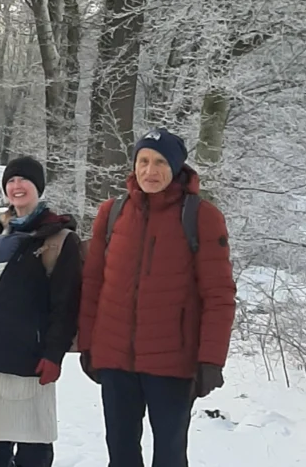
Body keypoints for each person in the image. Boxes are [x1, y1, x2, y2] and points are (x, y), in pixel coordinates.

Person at [78, 129, 236, 467]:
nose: (150, 171)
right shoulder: (112, 213)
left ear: (177, 167)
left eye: (161, 162)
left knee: (169, 455)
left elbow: (219, 294)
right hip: (116, 361)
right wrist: (89, 344)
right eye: (144, 161)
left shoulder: (201, 217)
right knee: (121, 454)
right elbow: (92, 284)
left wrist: (211, 359)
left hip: (173, 363)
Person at [0, 156, 81, 467]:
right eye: (11, 181)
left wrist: (54, 354)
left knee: (34, 452)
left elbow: (65, 304)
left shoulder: (59, 240)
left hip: (30, 363)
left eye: (24, 180)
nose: (17, 187)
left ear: (38, 188)